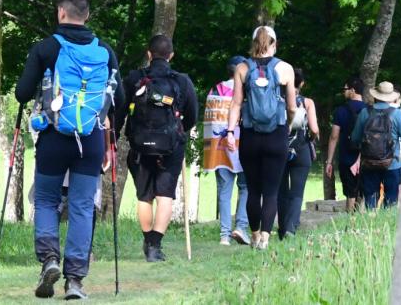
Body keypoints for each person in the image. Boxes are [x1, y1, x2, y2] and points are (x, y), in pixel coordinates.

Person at [15, 0, 123, 300]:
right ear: (86, 15)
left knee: (47, 200)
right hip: (90, 140)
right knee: (82, 206)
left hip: (53, 138)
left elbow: (22, 93)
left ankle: (49, 259)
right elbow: (119, 98)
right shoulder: (105, 51)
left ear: (61, 12)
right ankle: (75, 280)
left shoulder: (46, 48)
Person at [115, 35, 198, 263]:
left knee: (144, 196)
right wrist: (178, 131)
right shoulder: (182, 81)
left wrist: (113, 137)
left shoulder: (134, 79)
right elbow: (192, 116)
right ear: (171, 55)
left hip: (139, 146)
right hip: (171, 147)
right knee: (165, 195)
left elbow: (120, 110)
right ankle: (154, 246)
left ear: (149, 54)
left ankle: (147, 240)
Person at [224, 26, 297, 250]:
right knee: (271, 191)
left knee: (253, 190)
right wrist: (288, 124)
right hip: (277, 135)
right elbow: (292, 107)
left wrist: (230, 132)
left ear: (253, 42)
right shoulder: (285, 69)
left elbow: (236, 103)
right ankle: (265, 237)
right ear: (274, 44)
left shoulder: (242, 68)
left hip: (250, 136)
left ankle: (254, 234)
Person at [202, 56, 250, 246]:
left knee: (224, 191)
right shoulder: (245, 91)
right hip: (242, 144)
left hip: (219, 148)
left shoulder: (214, 90)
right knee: (245, 187)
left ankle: (224, 235)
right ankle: (241, 227)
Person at [350, 81, 401, 210]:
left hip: (369, 163)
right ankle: (388, 222)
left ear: (376, 95)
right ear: (391, 97)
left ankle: (371, 221)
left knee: (370, 201)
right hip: (392, 164)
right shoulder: (397, 114)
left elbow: (355, 138)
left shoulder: (365, 113)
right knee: (391, 202)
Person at [277, 68, 319, 239]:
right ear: (302, 83)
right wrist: (311, 138)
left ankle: (282, 229)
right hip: (301, 150)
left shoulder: (278, 100)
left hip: (279, 149)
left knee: (281, 191)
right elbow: (314, 129)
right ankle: (291, 228)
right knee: (297, 192)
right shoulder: (307, 102)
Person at [324, 76, 366, 212]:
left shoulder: (341, 110)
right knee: (363, 193)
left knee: (350, 194)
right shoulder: (369, 110)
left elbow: (334, 136)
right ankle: (362, 220)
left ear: (353, 90)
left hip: (347, 158)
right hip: (365, 158)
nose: (343, 92)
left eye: (345, 89)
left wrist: (329, 161)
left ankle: (349, 219)